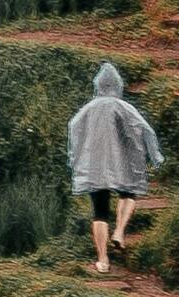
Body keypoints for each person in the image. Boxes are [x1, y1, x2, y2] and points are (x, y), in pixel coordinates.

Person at [65, 61, 162, 273]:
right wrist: (155, 156)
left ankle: (102, 260)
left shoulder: (87, 109)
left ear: (98, 85)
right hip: (121, 164)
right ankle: (119, 231)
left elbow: (73, 129)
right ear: (118, 85)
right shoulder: (124, 107)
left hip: (94, 166)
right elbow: (145, 129)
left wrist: (74, 158)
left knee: (99, 212)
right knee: (129, 194)